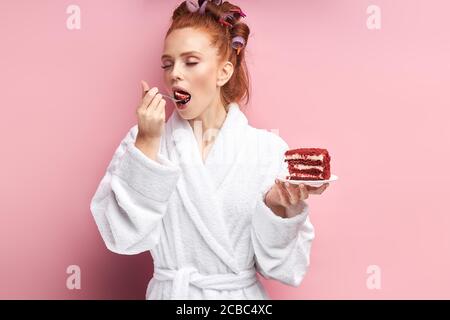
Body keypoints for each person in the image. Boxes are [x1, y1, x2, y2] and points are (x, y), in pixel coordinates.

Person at [90, 0, 329, 300]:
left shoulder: (266, 150)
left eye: (190, 62)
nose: (174, 74)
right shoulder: (143, 141)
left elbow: (285, 269)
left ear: (223, 72)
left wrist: (279, 209)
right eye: (167, 63)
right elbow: (123, 239)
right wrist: (147, 146)